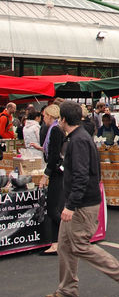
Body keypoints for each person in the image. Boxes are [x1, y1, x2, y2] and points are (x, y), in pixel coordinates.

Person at [44, 101, 119, 297]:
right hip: (79, 202)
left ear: (64, 119)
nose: (58, 121)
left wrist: (70, 205)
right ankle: (68, 289)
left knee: (79, 245)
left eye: (59, 118)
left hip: (82, 204)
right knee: (66, 246)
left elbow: (81, 176)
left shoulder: (78, 141)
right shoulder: (79, 138)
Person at [32, 105, 65, 255]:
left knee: (52, 209)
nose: (42, 118)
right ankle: (55, 243)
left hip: (56, 173)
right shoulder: (55, 129)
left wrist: (45, 175)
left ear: (50, 116)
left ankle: (71, 237)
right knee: (53, 209)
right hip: (56, 172)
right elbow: (51, 151)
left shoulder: (56, 130)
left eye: (44, 116)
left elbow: (53, 156)